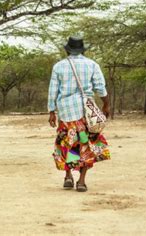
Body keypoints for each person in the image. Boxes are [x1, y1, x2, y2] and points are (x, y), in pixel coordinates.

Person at [48, 36, 111, 192]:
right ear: (83, 50)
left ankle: (68, 176)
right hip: (85, 113)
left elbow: (53, 91)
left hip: (66, 113)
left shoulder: (59, 66)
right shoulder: (92, 65)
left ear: (67, 49)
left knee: (67, 143)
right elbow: (101, 88)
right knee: (85, 144)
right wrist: (106, 104)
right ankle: (81, 181)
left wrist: (51, 111)